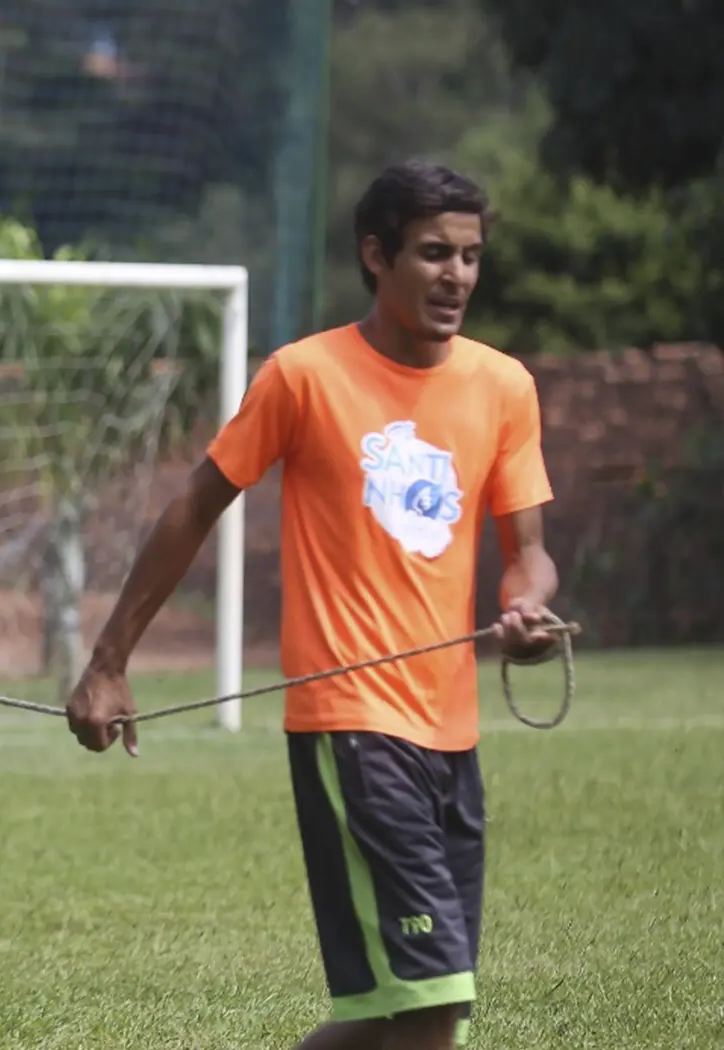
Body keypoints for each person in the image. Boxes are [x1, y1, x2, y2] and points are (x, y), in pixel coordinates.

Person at [65, 159, 562, 1050]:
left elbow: (529, 559)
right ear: (376, 255)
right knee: (431, 1004)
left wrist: (528, 614)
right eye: (433, 254)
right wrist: (108, 662)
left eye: (471, 257)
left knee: (392, 1016)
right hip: (353, 727)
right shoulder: (303, 376)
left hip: (454, 737)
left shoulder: (504, 387)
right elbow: (193, 508)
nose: (457, 277)